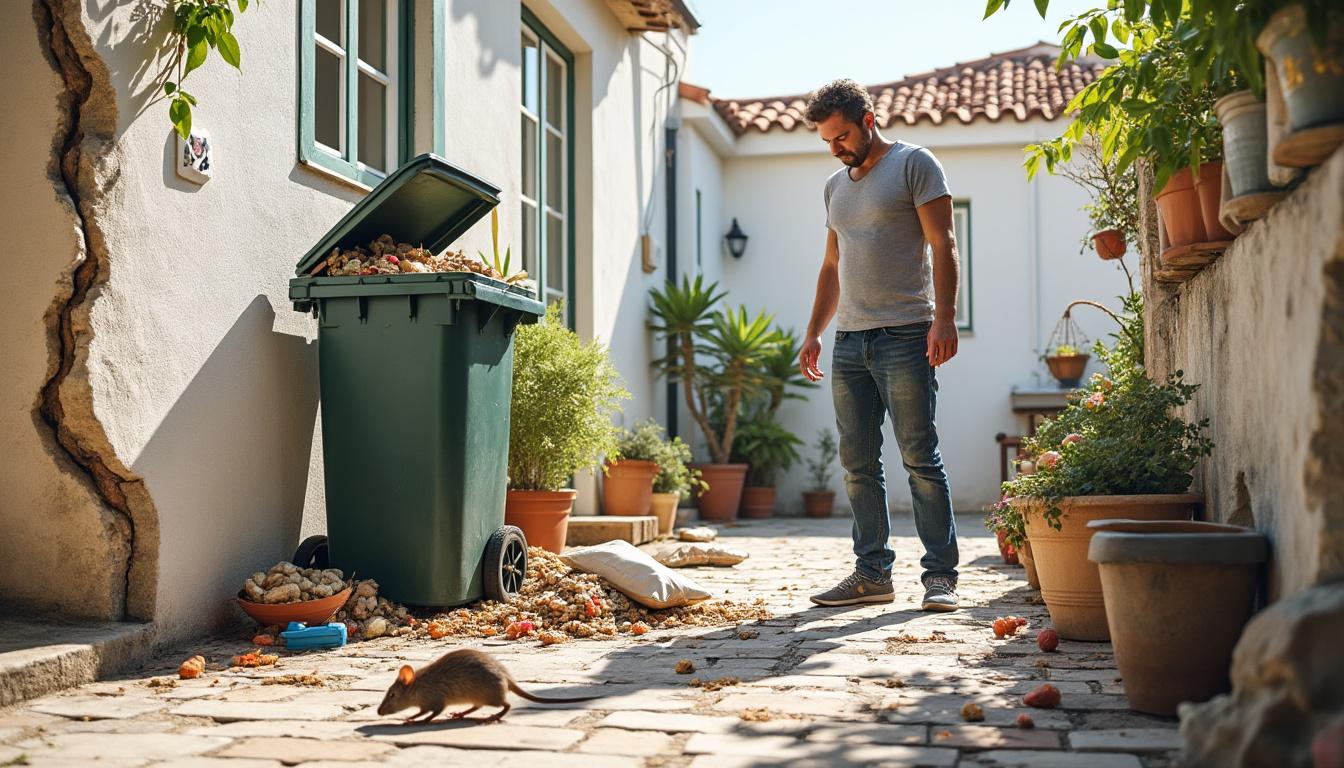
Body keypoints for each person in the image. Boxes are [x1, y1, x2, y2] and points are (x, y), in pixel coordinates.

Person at [799, 79, 961, 612]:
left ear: (869, 121)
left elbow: (944, 245)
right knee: (857, 463)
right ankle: (872, 574)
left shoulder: (915, 164)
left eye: (842, 135)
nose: (836, 147)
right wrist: (814, 332)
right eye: (827, 140)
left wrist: (945, 319)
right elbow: (829, 265)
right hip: (850, 341)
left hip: (907, 333)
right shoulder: (834, 186)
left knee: (919, 456)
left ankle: (940, 577)